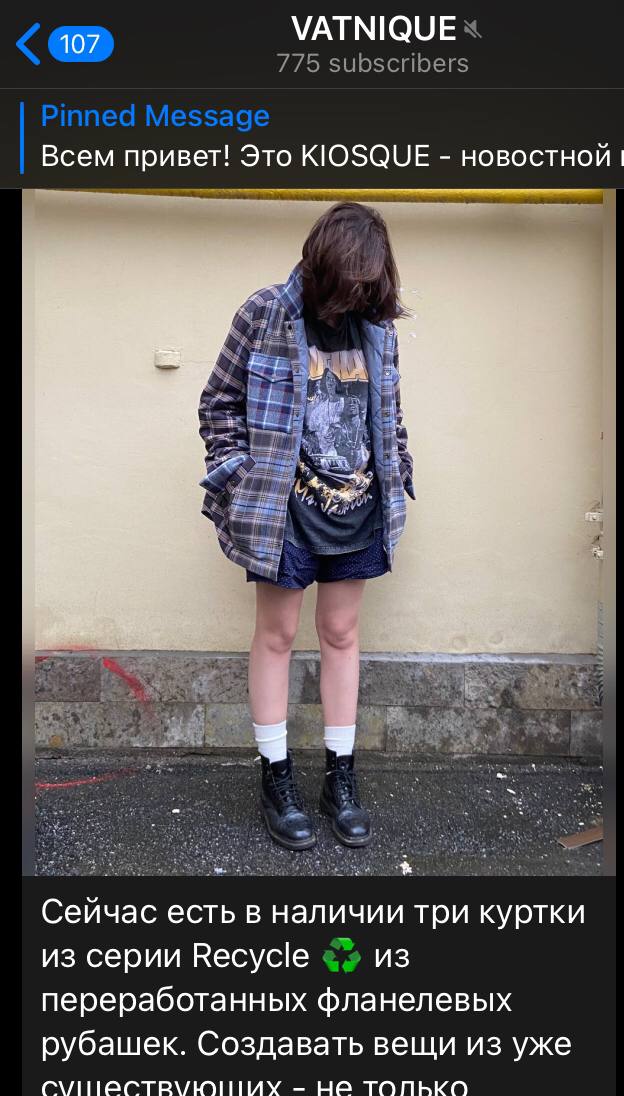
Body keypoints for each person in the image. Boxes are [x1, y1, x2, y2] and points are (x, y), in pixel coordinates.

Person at [198, 203, 415, 850]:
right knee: (278, 633)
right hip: (283, 509)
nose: (357, 297)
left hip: (359, 505)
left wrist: (399, 470)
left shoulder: (377, 329)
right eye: (350, 284)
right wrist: (240, 477)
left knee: (341, 633)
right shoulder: (264, 312)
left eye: (368, 287)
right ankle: (276, 777)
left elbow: (391, 413)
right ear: (322, 266)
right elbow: (218, 402)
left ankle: (339, 779)